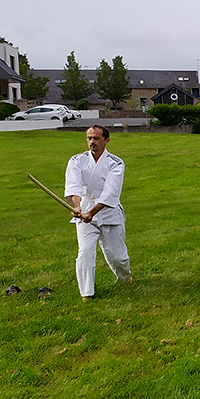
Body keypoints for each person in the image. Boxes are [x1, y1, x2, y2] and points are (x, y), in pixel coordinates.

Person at [64, 125, 131, 300]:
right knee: (85, 252)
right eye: (89, 138)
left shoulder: (116, 163)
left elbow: (111, 192)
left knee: (117, 257)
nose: (92, 142)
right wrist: (78, 208)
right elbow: (74, 186)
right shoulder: (76, 161)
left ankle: (125, 277)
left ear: (106, 141)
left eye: (96, 138)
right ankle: (87, 293)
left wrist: (92, 212)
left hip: (108, 212)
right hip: (84, 213)